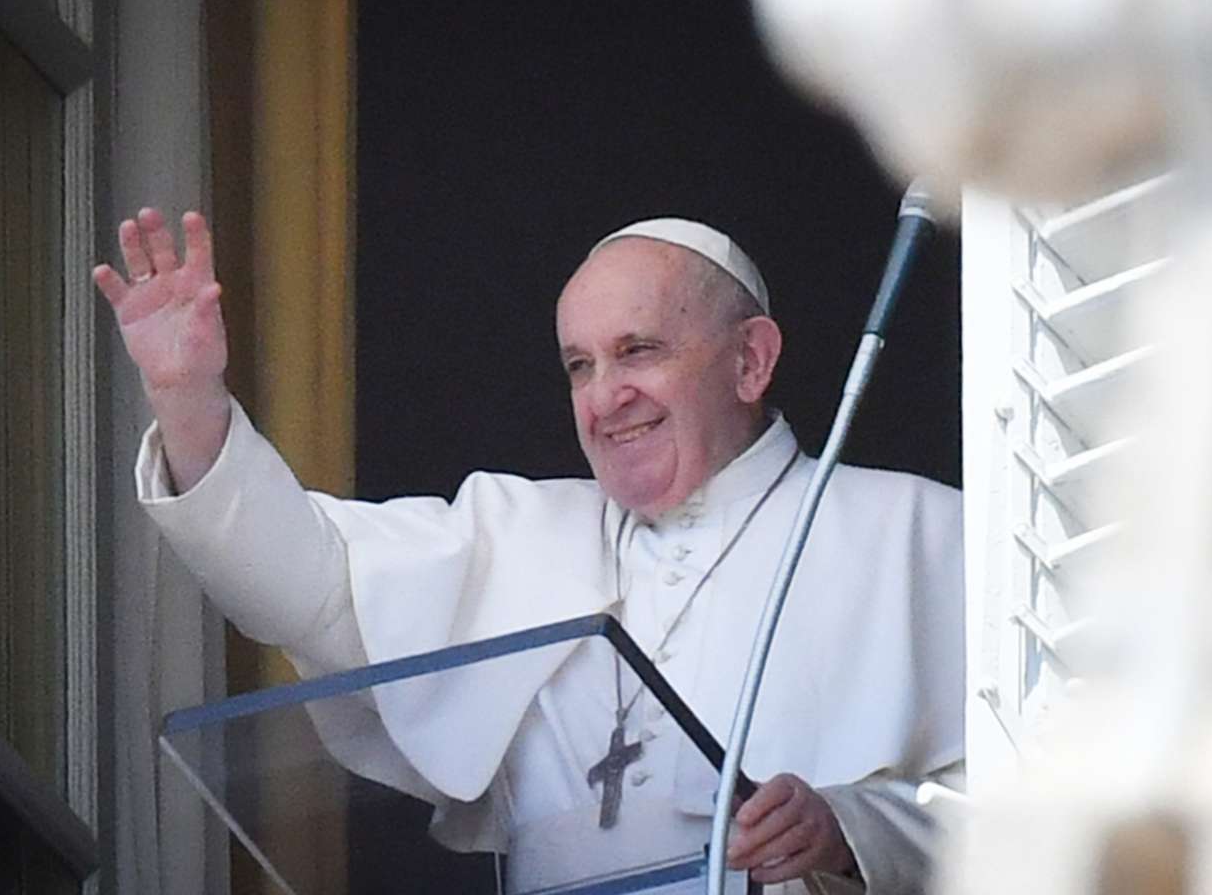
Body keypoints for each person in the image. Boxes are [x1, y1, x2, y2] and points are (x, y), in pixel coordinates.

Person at [95, 207, 964, 893]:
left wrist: (854, 833)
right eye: (579, 366)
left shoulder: (919, 534)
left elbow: (1053, 814)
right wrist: (189, 399)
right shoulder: (515, 534)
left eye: (638, 351)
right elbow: (306, 580)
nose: (606, 396)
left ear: (750, 360)